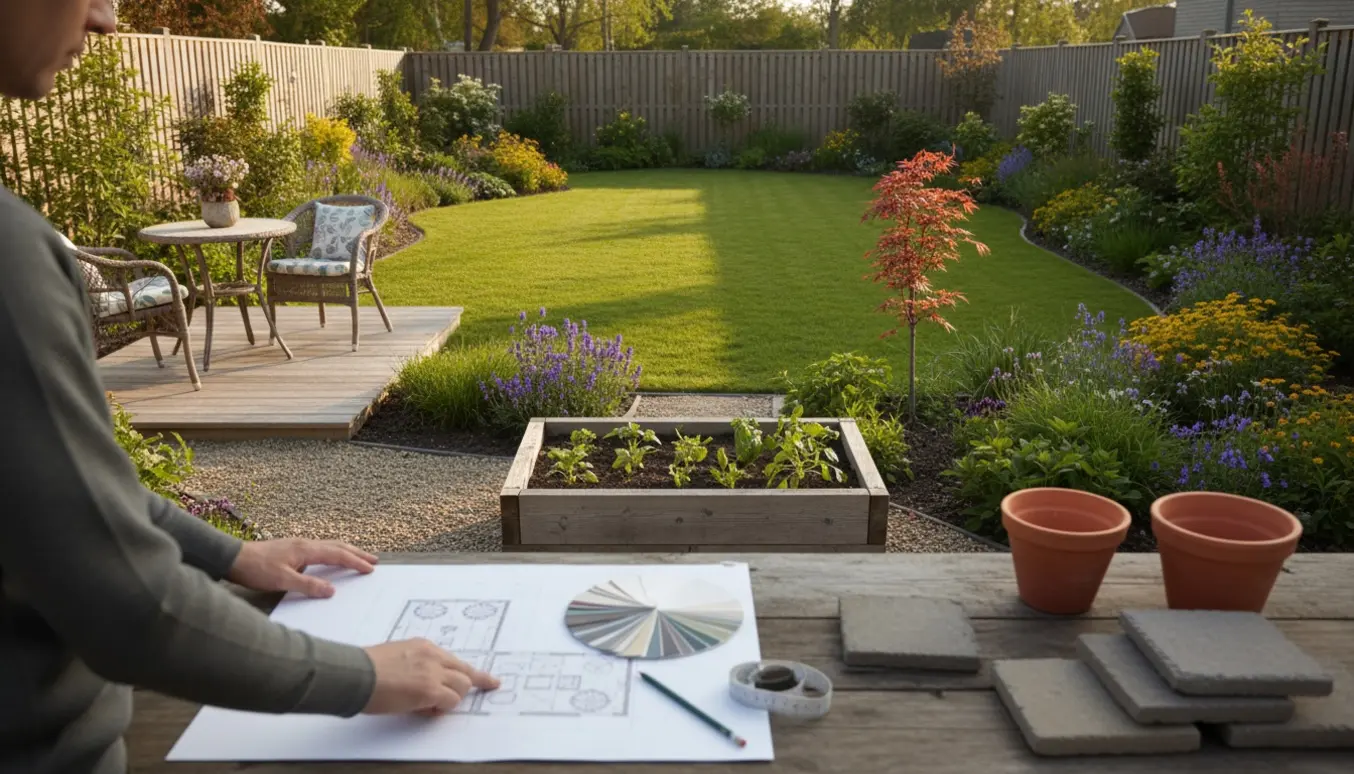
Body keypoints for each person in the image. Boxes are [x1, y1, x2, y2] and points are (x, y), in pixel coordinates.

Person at [0, 3, 498, 773]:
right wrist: (365, 675)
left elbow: (63, 501)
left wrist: (229, 555)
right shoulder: (8, 259)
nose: (106, 18)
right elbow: (132, 607)